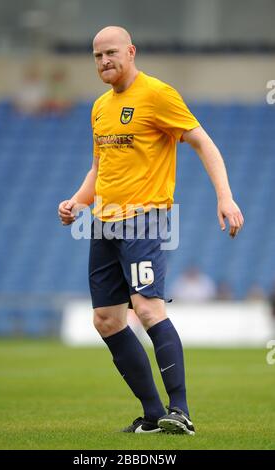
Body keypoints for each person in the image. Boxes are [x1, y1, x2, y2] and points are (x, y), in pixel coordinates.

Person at [58, 26, 244, 435]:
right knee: (106, 320)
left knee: (146, 308)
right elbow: (98, 168)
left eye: (111, 53)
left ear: (130, 51)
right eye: (97, 56)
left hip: (144, 218)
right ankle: (153, 415)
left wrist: (225, 197)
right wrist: (77, 201)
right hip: (103, 222)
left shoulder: (158, 94)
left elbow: (203, 142)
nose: (104, 61)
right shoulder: (99, 107)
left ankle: (181, 411)